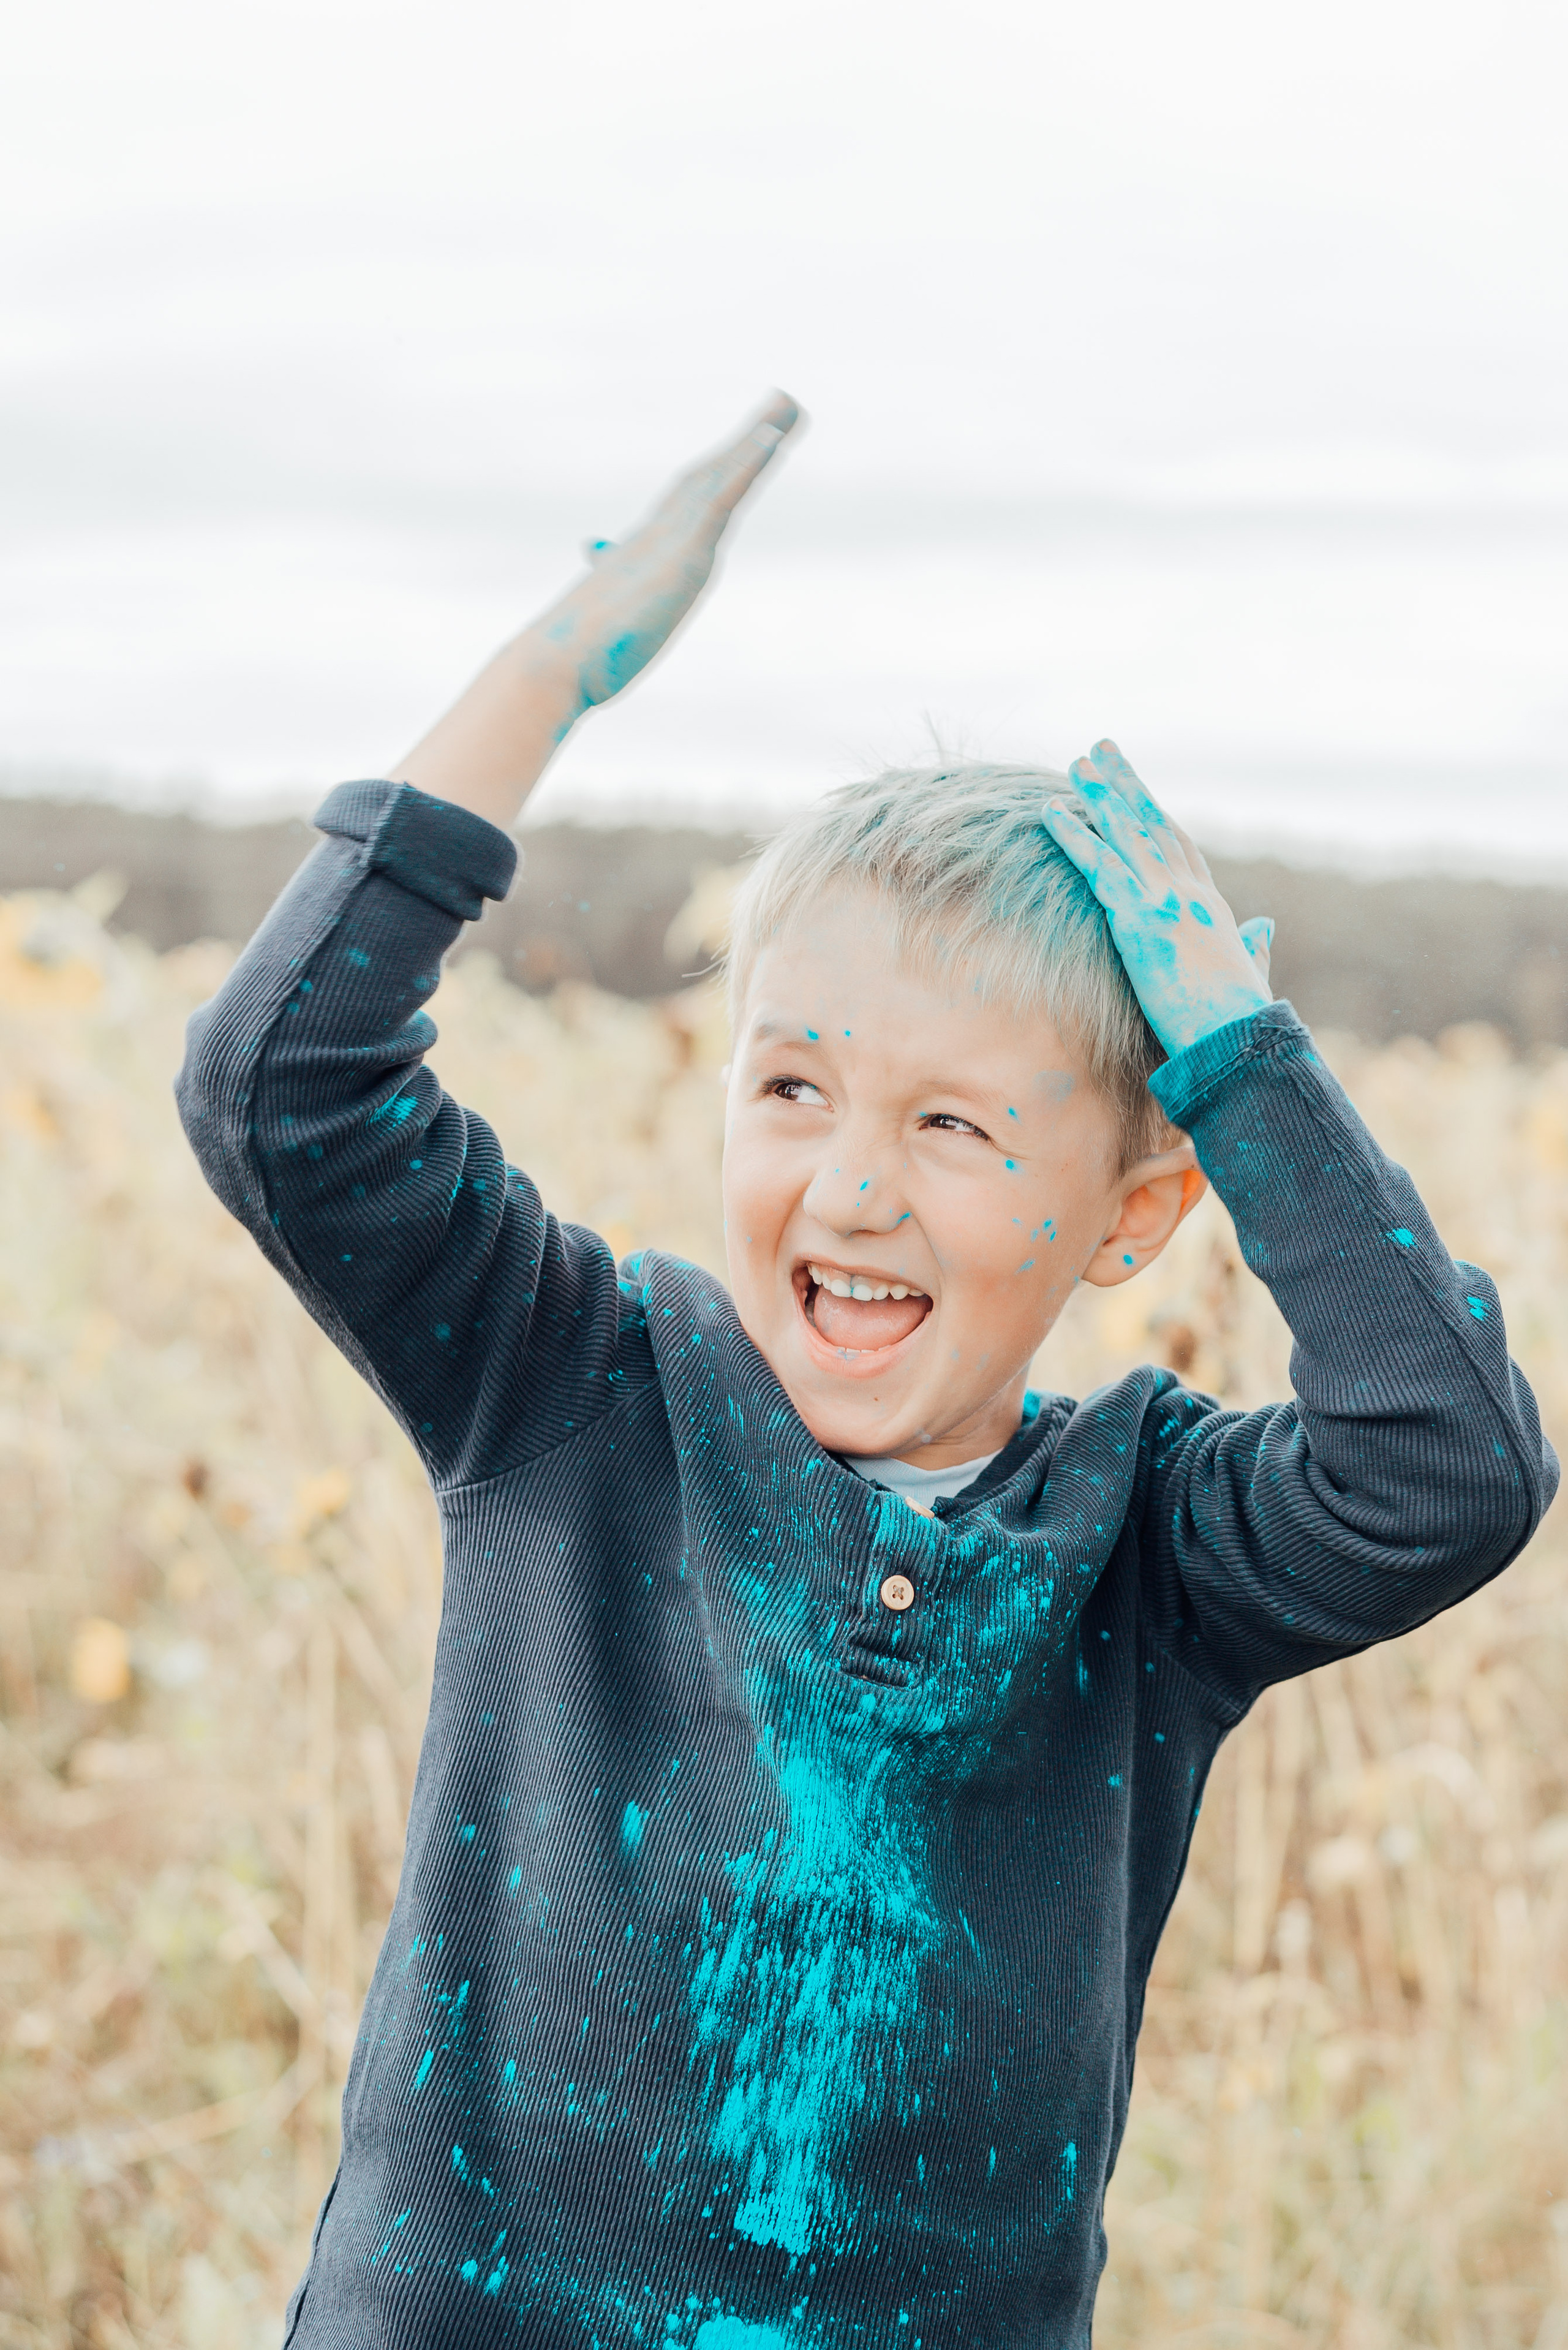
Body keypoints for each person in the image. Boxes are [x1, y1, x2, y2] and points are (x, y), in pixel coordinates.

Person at [177, 395, 1556, 2350]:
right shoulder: (575, 1389)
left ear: (1133, 1213)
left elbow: (1451, 1467)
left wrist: (1238, 1059)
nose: (850, 1181)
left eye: (953, 1126)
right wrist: (551, 673)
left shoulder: (1150, 1552)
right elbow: (279, 1089)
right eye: (796, 1085)